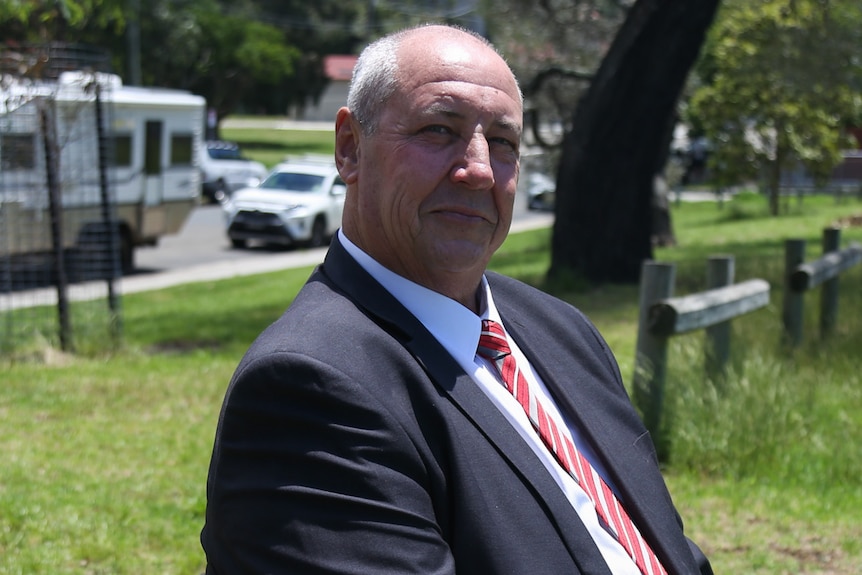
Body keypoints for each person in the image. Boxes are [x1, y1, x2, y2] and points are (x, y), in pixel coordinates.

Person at [201, 24, 712, 575]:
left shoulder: (561, 330)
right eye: (438, 130)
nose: (478, 170)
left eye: (503, 143)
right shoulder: (308, 391)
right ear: (350, 149)